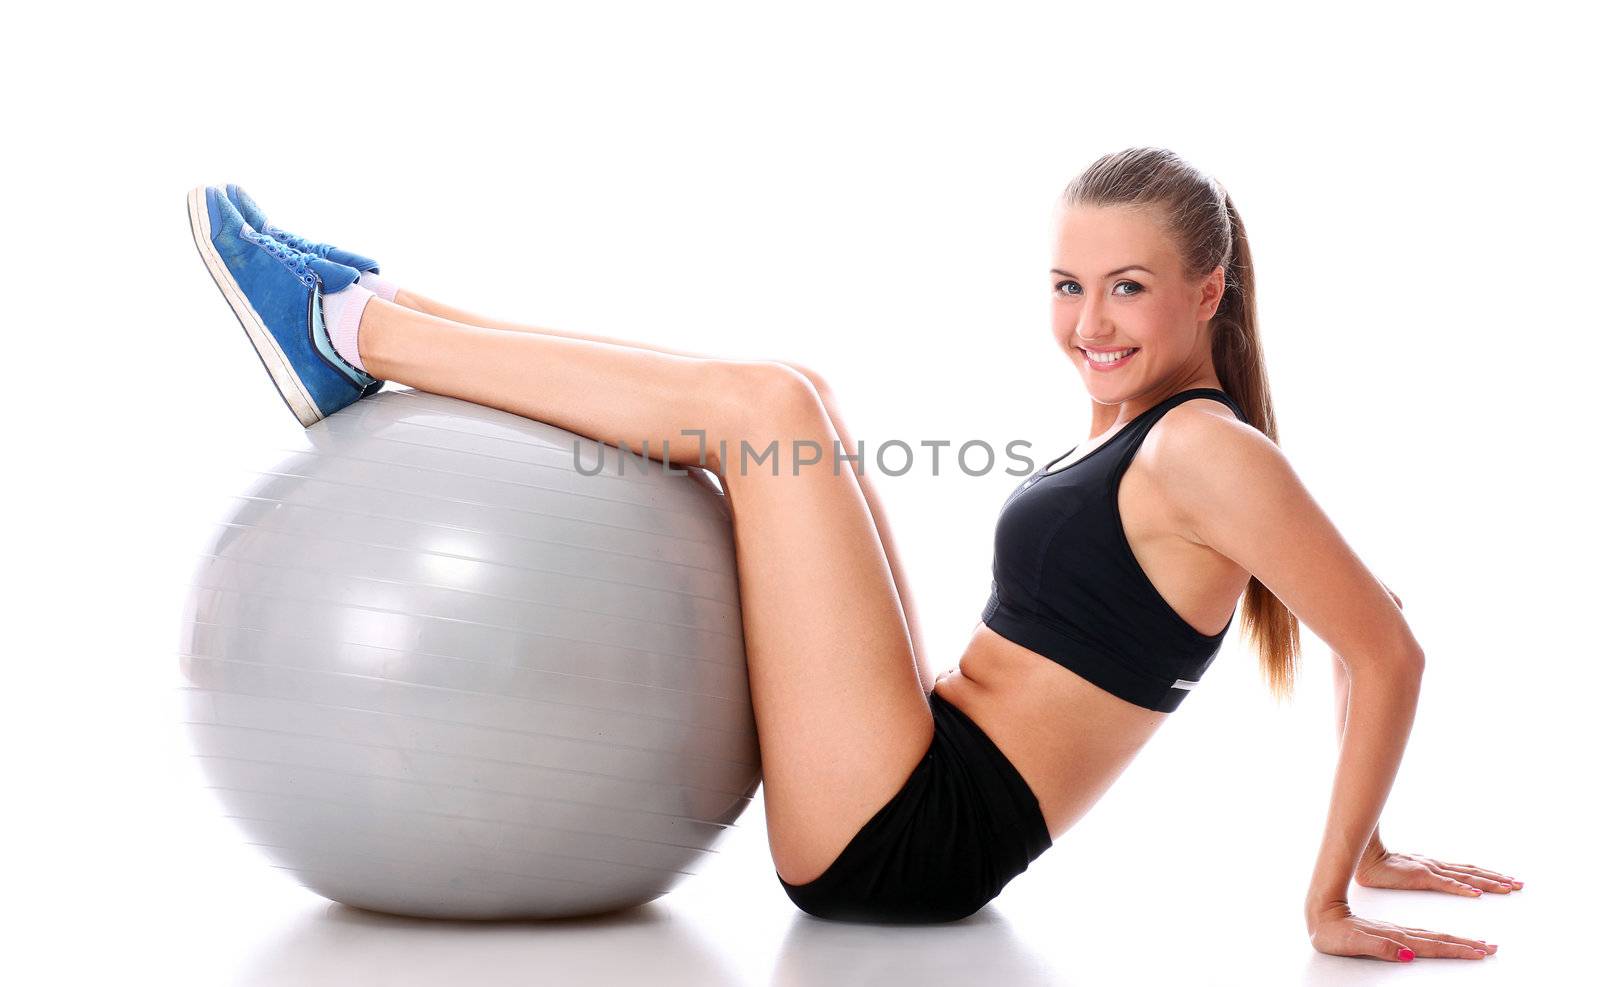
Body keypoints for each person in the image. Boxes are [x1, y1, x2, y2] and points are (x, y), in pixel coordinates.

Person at [185, 148, 1517, 959]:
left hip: (908, 841)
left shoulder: (1203, 452)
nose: (1090, 320)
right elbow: (1370, 623)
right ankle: (378, 305)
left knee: (760, 411)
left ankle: (352, 327)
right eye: (1068, 283)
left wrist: (1336, 885)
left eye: (1128, 287)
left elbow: (1386, 646)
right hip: (920, 770)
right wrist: (1378, 834)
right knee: (794, 390)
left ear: (1208, 292)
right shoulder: (1156, 436)